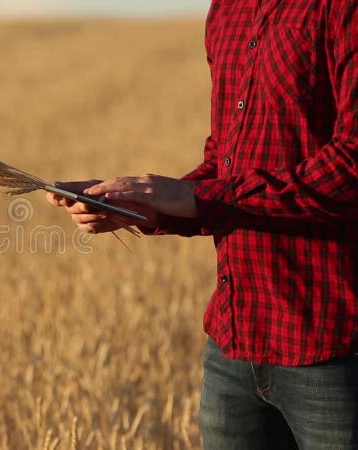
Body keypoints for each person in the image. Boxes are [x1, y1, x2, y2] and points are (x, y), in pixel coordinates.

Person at [46, 1, 358, 448]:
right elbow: (224, 161)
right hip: (233, 343)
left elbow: (350, 167)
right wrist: (143, 206)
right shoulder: (228, 9)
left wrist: (196, 198)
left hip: (331, 347)